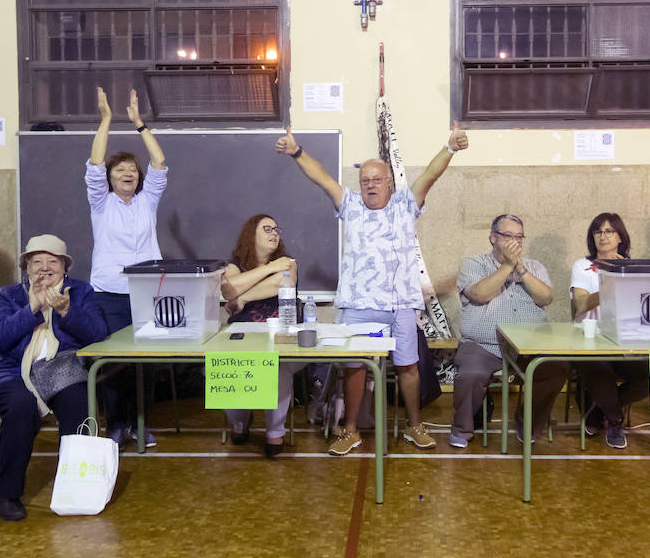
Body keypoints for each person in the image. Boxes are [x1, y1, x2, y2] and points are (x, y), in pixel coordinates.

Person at [275, 123, 468, 455]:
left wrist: (449, 148)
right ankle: (350, 430)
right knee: (355, 367)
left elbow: (430, 177)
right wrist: (296, 151)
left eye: (377, 180)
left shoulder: (406, 204)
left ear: (389, 182)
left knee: (408, 366)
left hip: (401, 304)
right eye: (365, 181)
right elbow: (320, 177)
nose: (370, 185)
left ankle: (415, 425)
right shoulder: (349, 205)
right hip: (358, 303)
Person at [0, 234, 108, 520]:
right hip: (13, 370)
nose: (44, 267)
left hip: (62, 366)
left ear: (64, 266)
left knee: (79, 403)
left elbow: (99, 336)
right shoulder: (9, 295)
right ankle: (6, 493)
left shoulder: (80, 292)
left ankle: (76, 487)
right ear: (26, 267)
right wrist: (31, 308)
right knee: (19, 408)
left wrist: (66, 310)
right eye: (36, 261)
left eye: (52, 261)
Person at [86, 87, 167, 448]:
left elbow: (160, 163)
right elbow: (93, 164)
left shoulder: (147, 201)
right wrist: (106, 119)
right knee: (113, 363)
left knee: (146, 364)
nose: (129, 173)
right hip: (108, 294)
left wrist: (139, 125)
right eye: (120, 170)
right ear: (110, 177)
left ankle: (141, 423)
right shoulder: (101, 204)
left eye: (133, 170)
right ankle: (116, 425)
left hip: (146, 291)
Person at [449, 214, 566, 448]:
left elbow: (546, 297)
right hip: (483, 344)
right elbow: (480, 294)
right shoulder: (474, 264)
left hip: (529, 345)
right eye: (508, 236)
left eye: (519, 237)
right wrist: (507, 266)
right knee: (470, 374)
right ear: (493, 238)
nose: (515, 242)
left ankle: (528, 422)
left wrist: (521, 270)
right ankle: (462, 428)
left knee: (557, 368)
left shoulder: (534, 267)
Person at [220, 214, 305, 458]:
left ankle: (274, 431)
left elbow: (281, 283)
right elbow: (228, 289)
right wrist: (268, 269)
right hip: (242, 333)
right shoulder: (235, 263)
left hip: (278, 331)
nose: (274, 233)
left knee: (277, 369)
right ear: (251, 235)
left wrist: (243, 297)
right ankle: (240, 419)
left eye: (276, 229)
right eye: (266, 229)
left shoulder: (287, 262)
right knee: (225, 366)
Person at [569, 212, 649, 450]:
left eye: (609, 231)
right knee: (599, 368)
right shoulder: (583, 266)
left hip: (623, 341)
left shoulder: (632, 267)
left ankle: (596, 412)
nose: (602, 236)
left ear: (620, 237)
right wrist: (612, 277)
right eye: (598, 231)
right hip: (588, 342)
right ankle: (614, 420)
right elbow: (582, 304)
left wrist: (623, 269)